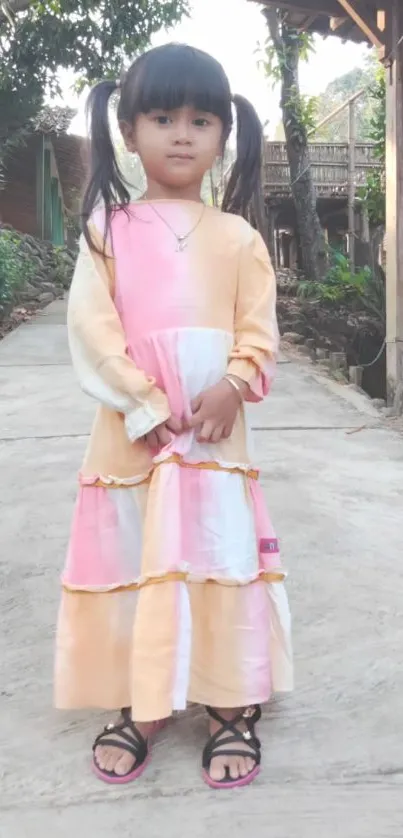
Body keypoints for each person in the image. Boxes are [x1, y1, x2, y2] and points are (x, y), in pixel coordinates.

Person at [55, 42, 293, 790]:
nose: (182, 134)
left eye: (200, 119)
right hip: (134, 436)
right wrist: (142, 402)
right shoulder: (106, 231)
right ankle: (143, 698)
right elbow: (92, 329)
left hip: (212, 437)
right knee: (133, 560)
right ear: (128, 131)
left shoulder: (239, 238)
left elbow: (258, 331)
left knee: (218, 558)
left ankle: (230, 701)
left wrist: (232, 382)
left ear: (225, 133)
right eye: (162, 117)